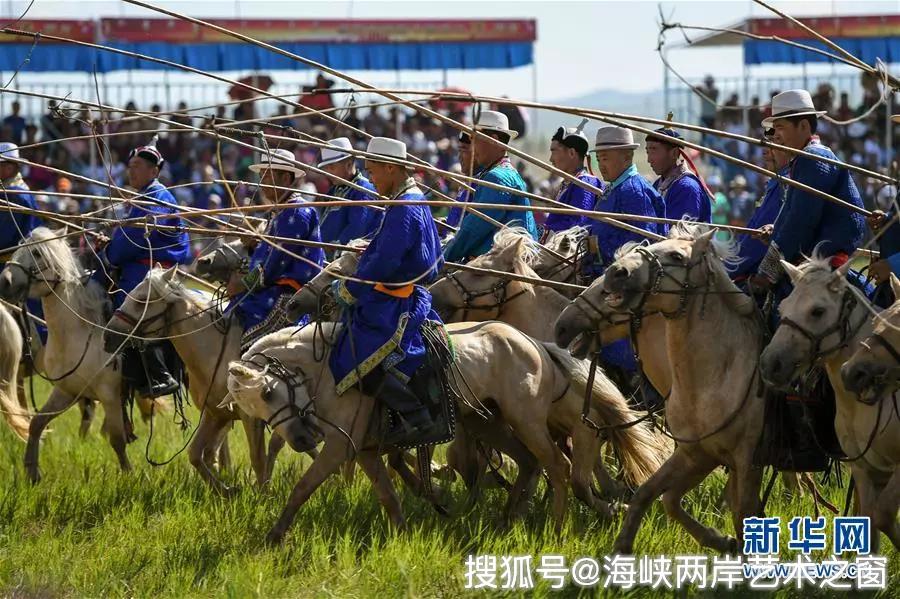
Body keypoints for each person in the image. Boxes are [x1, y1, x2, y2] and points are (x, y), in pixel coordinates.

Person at [328, 137, 446, 447]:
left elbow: (384, 263)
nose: (371, 178)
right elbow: (389, 251)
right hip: (397, 293)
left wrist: (346, 288)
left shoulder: (404, 207)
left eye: (374, 171)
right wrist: (371, 248)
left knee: (352, 355)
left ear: (391, 168)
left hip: (397, 301)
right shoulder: (408, 199)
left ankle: (416, 416)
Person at [98, 141, 191, 398]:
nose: (131, 172)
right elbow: (128, 237)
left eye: (137, 166)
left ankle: (156, 373)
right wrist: (110, 246)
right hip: (140, 267)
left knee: (126, 307)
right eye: (130, 167)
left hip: (152, 271)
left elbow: (134, 239)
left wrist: (109, 253)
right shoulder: (143, 198)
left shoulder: (157, 197)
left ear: (154, 172)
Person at [752, 89, 865, 290]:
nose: (775, 137)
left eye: (780, 128)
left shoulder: (812, 158)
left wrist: (767, 272)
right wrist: (776, 230)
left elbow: (800, 220)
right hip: (814, 257)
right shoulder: (804, 159)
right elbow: (792, 212)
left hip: (824, 261)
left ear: (803, 126)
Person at [227, 148, 325, 352]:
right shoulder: (279, 211)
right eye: (261, 176)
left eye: (267, 176)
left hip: (287, 298)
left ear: (285, 178)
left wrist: (243, 284)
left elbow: (275, 264)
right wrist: (254, 246)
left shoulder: (297, 212)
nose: (262, 182)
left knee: (247, 344)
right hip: (269, 291)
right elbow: (269, 256)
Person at [443, 111, 537, 262]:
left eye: (476, 140)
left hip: (505, 267)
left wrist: (443, 259)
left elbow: (473, 230)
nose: (473, 147)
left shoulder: (497, 177)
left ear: (493, 141)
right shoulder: (498, 173)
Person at [582, 125, 666, 280]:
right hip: (601, 274)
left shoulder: (634, 191)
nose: (601, 165)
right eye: (598, 159)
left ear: (627, 157)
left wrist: (602, 252)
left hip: (622, 280)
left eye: (605, 159)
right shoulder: (614, 188)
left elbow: (642, 242)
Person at [730, 128, 789, 281]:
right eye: (765, 146)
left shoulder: (784, 185)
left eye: (773, 144)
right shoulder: (776, 182)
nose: (764, 152)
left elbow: (758, 241)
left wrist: (732, 266)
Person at [0, 142, 45, 343]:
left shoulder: (15, 195)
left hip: (11, 262)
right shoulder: (9, 190)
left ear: (10, 167)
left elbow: (4, 238)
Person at [542, 120, 603, 238]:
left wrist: (544, 233)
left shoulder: (585, 184)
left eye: (554, 152)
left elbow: (577, 227)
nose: (550, 159)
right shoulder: (570, 183)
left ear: (571, 153)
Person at [316, 137, 381, 246]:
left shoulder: (363, 190)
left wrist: (336, 247)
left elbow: (357, 228)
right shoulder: (333, 190)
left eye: (331, 168)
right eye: (326, 168)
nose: (327, 173)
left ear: (349, 164)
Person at [645, 120, 712, 223]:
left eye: (654, 150)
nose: (649, 159)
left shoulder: (687, 187)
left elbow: (679, 234)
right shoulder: (658, 184)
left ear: (674, 153)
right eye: (648, 152)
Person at [442, 131, 482, 238]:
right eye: (458, 151)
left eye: (464, 150)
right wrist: (446, 222)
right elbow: (461, 217)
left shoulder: (482, 182)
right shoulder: (468, 181)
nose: (459, 157)